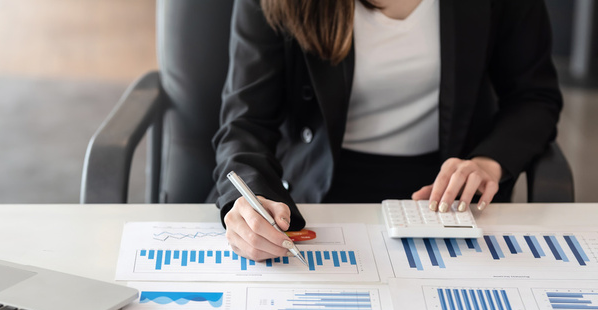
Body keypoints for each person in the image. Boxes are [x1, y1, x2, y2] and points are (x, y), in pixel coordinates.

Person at [210, 0, 562, 261]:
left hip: (448, 193)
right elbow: (246, 121)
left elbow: (534, 96)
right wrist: (247, 199)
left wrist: (489, 162)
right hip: (321, 194)